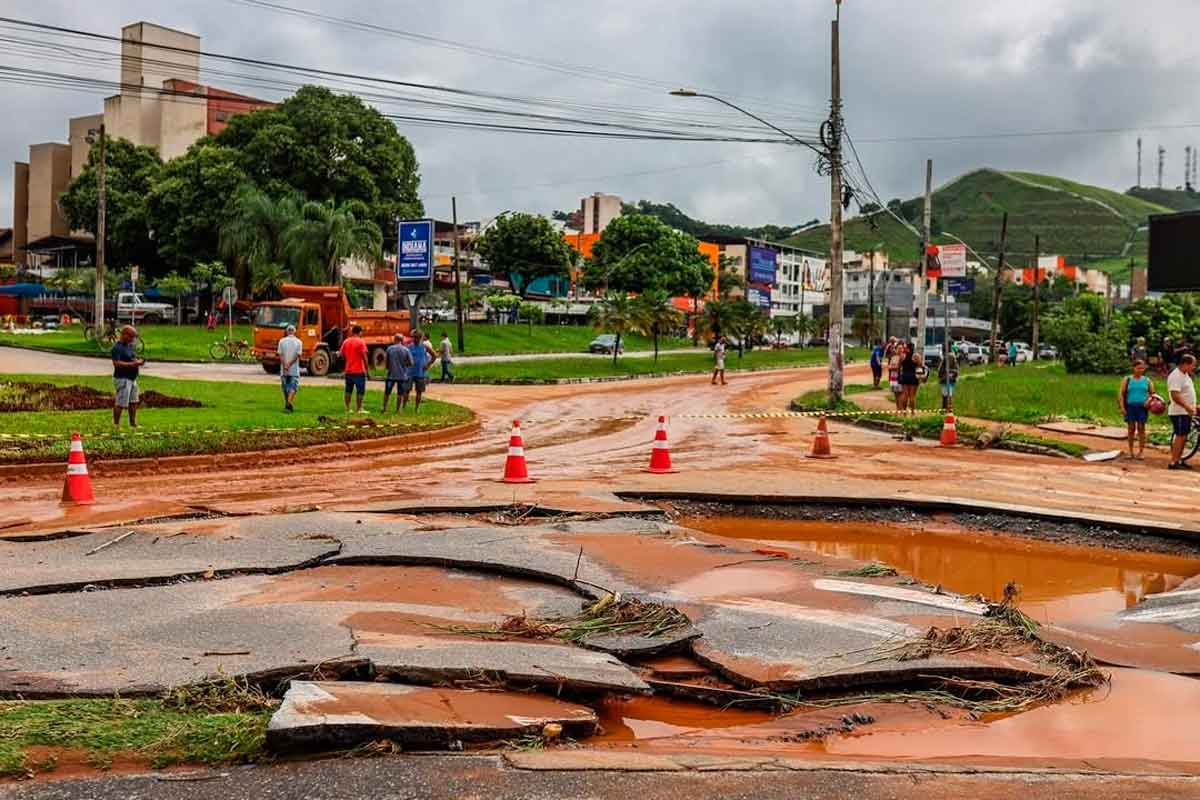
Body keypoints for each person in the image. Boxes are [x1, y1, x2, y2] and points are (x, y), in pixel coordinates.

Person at [1120, 359, 1155, 461]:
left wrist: (1148, 401)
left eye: (1142, 368)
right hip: (1130, 407)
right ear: (1133, 368)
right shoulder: (1127, 379)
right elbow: (1121, 394)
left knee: (1141, 428)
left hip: (1142, 408)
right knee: (1131, 429)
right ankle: (1130, 451)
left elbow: (1153, 394)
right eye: (1138, 368)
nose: (1140, 370)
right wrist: (1122, 407)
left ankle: (1141, 451)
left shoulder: (1147, 380)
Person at [1167, 353, 1198, 470]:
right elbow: (1175, 395)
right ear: (1185, 364)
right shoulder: (1176, 376)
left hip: (1186, 412)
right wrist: (1187, 406)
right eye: (1193, 365)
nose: (1194, 367)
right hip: (1179, 412)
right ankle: (1173, 461)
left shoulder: (1185, 375)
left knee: (1184, 436)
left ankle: (1179, 459)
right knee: (1180, 436)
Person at [111, 325, 145, 428]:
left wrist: (138, 361)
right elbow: (116, 363)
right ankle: (116, 424)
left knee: (133, 401)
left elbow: (132, 357)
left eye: (134, 337)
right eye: (131, 337)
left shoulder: (129, 346)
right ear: (124, 335)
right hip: (122, 378)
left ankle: (133, 423)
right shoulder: (117, 348)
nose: (133, 339)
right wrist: (132, 364)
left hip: (132, 378)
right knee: (121, 402)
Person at [339, 324, 369, 414]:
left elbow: (342, 355)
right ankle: (359, 408)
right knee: (360, 390)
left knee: (348, 390)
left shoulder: (346, 341)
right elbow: (364, 357)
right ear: (360, 332)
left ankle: (347, 409)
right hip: (359, 371)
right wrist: (368, 371)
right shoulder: (361, 342)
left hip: (348, 370)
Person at [403, 329, 435, 413]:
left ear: (420, 338)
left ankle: (416, 409)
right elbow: (404, 358)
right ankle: (403, 407)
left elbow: (434, 355)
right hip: (410, 372)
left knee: (419, 391)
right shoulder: (409, 347)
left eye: (417, 337)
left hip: (420, 373)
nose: (415, 339)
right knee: (406, 390)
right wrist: (406, 364)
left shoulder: (424, 347)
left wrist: (428, 364)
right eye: (414, 337)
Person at [382, 333, 414, 413]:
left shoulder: (389, 349)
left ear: (395, 339)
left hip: (391, 375)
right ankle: (398, 410)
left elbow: (386, 363)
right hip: (402, 375)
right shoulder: (406, 350)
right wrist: (404, 364)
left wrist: (389, 367)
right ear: (402, 340)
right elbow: (411, 363)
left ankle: (384, 408)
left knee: (387, 392)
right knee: (400, 394)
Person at [276, 324, 302, 412]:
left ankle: (287, 403)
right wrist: (290, 364)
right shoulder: (299, 342)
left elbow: (280, 355)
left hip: (284, 369)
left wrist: (285, 365)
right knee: (293, 387)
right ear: (295, 332)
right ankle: (289, 403)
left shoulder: (281, 341)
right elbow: (297, 356)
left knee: (285, 387)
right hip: (294, 369)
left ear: (287, 332)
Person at [898, 342, 920, 412]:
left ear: (907, 348)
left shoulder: (902, 356)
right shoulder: (916, 356)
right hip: (913, 377)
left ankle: (904, 412)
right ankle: (912, 412)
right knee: (912, 396)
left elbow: (899, 367)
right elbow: (920, 367)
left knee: (905, 395)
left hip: (905, 376)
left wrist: (899, 375)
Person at [889, 342, 904, 410]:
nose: (900, 350)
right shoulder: (894, 357)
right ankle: (898, 409)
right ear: (896, 349)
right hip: (893, 378)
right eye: (898, 348)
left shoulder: (904, 357)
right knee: (896, 395)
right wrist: (894, 367)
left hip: (901, 378)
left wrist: (894, 367)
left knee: (901, 395)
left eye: (901, 348)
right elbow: (889, 367)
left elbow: (896, 367)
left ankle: (901, 410)